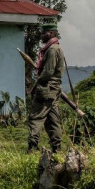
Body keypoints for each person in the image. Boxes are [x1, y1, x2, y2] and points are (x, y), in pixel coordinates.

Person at [27, 23, 65, 154]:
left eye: (45, 33)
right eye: (42, 33)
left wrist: (37, 83)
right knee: (53, 119)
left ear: (53, 33)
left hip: (46, 89)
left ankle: (32, 147)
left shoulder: (52, 49)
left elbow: (48, 72)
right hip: (54, 90)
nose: (42, 35)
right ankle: (57, 149)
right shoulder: (56, 48)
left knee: (36, 118)